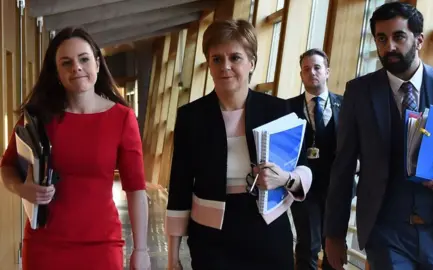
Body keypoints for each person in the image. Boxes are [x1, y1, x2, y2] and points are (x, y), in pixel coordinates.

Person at [324, 2, 433, 270]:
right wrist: (334, 233)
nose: (389, 47)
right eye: (381, 39)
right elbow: (344, 166)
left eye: (399, 37)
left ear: (418, 40)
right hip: (385, 230)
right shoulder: (359, 92)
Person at [164, 19, 312, 270]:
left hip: (268, 229)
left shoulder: (278, 109)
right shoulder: (191, 116)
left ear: (252, 63)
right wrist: (172, 257)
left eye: (235, 58)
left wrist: (284, 178)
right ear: (209, 64)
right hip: (212, 237)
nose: (226, 67)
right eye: (217, 59)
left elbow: (303, 169)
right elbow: (179, 187)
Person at [0, 27, 150, 270]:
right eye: (66, 63)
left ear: (98, 64)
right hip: (45, 245)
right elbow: (7, 167)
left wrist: (141, 251)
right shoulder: (38, 116)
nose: (76, 68)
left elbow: (136, 190)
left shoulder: (122, 118)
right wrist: (21, 188)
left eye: (83, 59)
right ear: (57, 72)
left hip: (102, 245)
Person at [288, 49, 356, 270]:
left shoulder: (346, 105)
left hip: (337, 188)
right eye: (306, 69)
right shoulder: (288, 108)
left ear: (327, 71)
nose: (312, 73)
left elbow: (359, 141)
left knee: (334, 246)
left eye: (317, 67)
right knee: (308, 244)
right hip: (303, 189)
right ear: (301, 75)